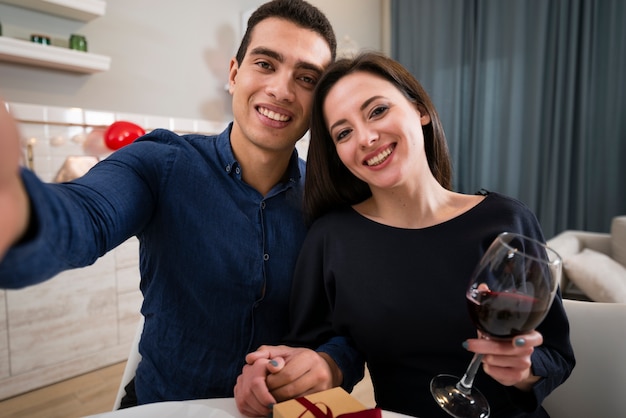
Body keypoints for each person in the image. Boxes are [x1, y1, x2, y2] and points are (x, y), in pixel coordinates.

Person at [0, 0, 338, 408]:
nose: (282, 90)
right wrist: (20, 212)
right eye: (266, 64)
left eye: (305, 78)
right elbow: (86, 214)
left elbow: (344, 323)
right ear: (234, 74)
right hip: (164, 406)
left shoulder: (326, 200)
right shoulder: (162, 162)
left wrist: (330, 363)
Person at [234, 52, 575, 417]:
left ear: (419, 110)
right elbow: (317, 354)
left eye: (377, 111)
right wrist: (285, 369)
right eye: (344, 132)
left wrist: (523, 371)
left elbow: (555, 354)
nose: (365, 138)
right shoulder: (331, 238)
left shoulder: (506, 219)